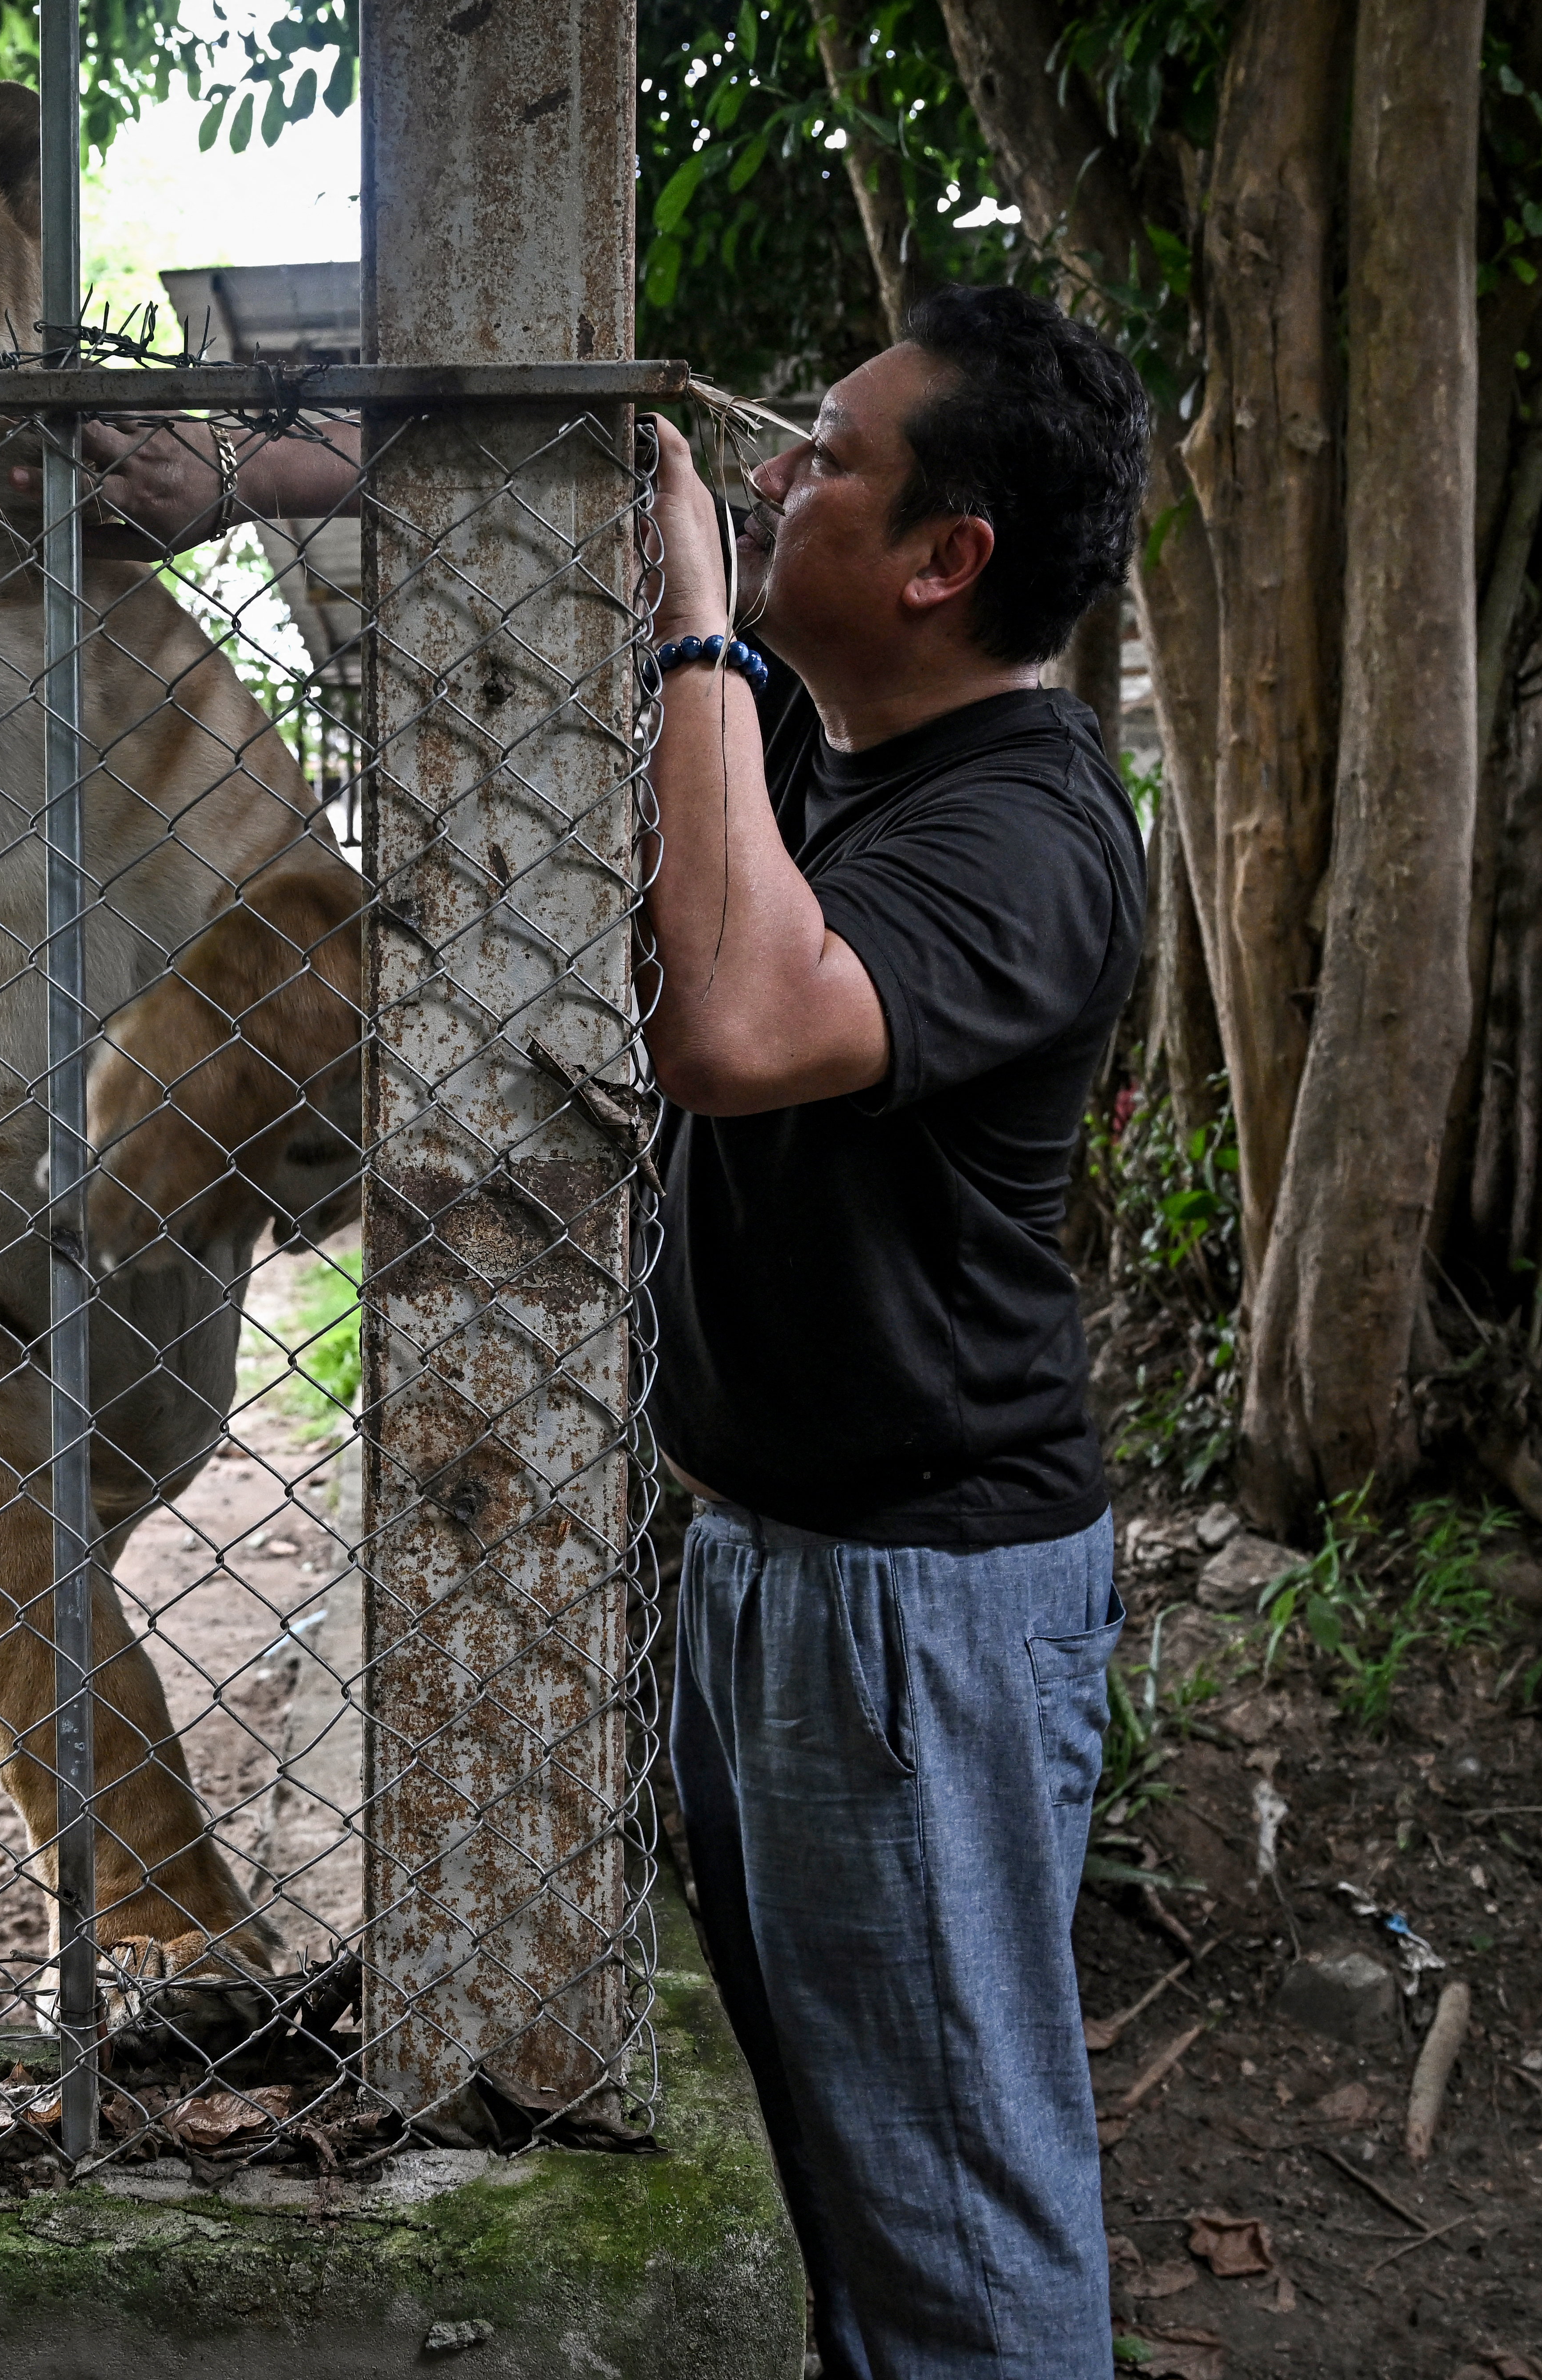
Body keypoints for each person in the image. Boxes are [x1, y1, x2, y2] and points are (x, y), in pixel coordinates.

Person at [640, 284, 1152, 2380]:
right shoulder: (822, 742)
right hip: (776, 1564)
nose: (774, 479)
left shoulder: (1027, 830)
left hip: (916, 1599)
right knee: (821, 2160)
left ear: (944, 560)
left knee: (944, 2213)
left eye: (826, 460)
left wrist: (696, 629)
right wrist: (226, 473)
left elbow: (738, 1024)